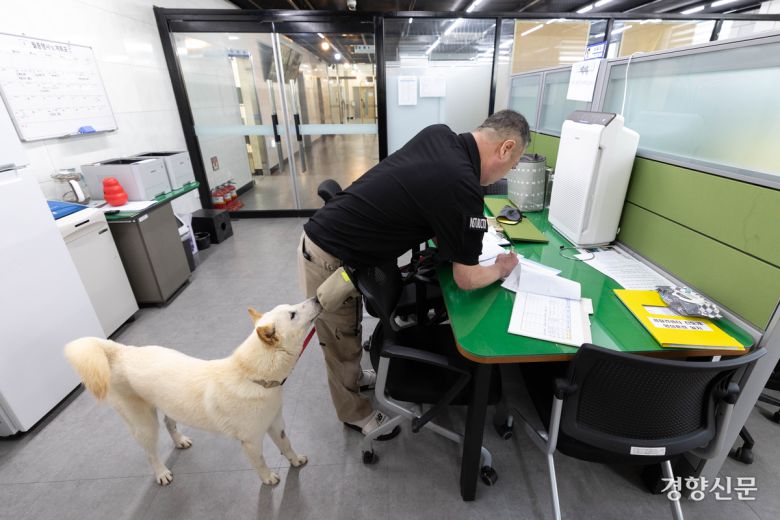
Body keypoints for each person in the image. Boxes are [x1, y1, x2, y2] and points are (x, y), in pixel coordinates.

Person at [298, 109, 530, 439]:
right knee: (337, 338)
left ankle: (355, 377)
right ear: (505, 148)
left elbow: (422, 194)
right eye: (514, 163)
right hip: (328, 253)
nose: (509, 171)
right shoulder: (462, 185)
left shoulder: (440, 135)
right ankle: (355, 414)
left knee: (347, 330)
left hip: (346, 242)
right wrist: (501, 268)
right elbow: (466, 279)